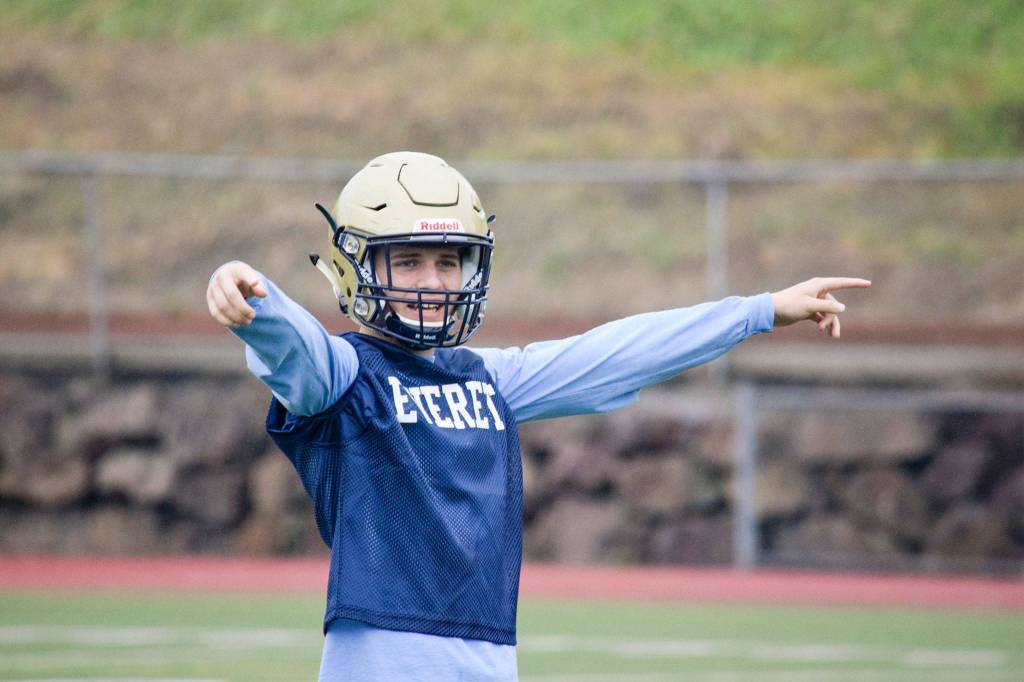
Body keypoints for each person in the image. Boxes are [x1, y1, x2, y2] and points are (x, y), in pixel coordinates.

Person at [206, 151, 870, 681]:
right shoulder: (345, 376)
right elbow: (293, 351)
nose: (432, 281)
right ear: (355, 266)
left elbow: (614, 354)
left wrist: (756, 311)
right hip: (383, 650)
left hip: (493, 647)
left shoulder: (490, 377)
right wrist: (251, 297)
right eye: (407, 259)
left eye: (448, 261)